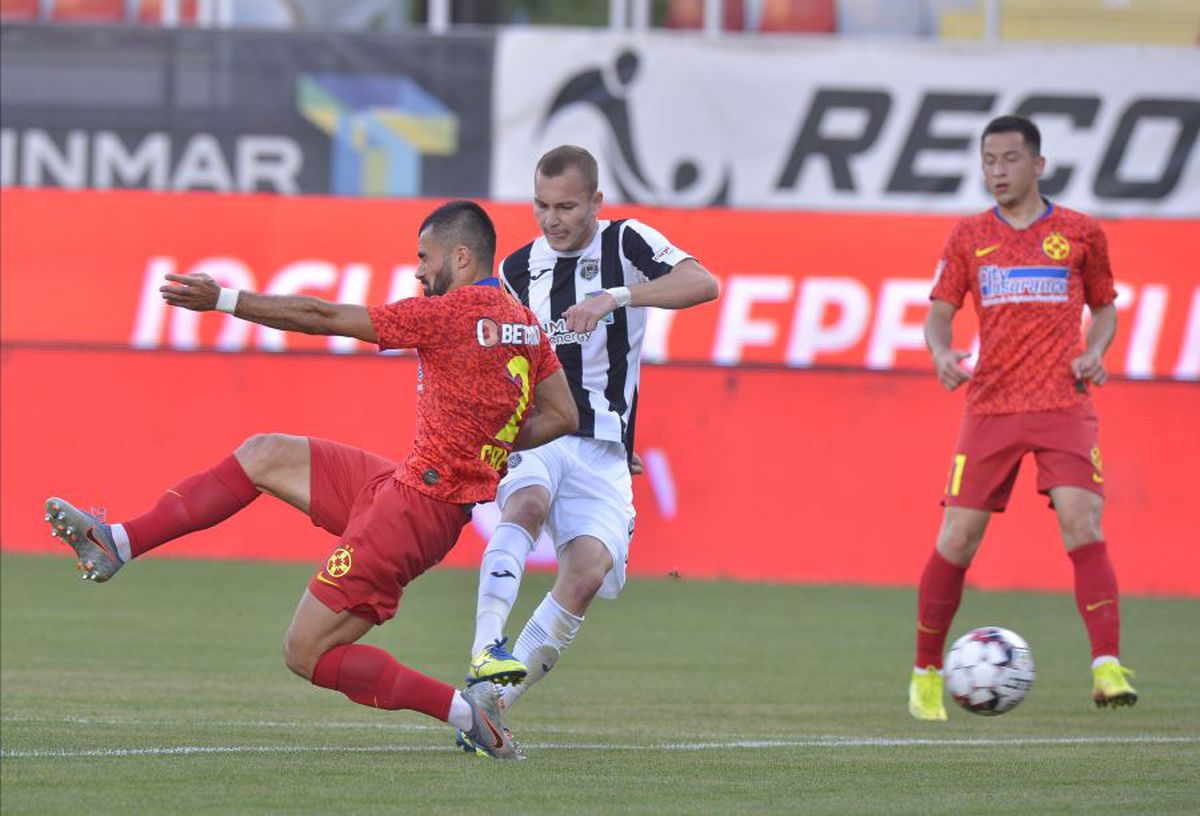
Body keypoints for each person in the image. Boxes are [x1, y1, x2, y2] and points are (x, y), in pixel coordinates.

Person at [44, 201, 577, 760]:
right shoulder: (522, 320)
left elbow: (323, 317)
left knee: (305, 652)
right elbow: (563, 415)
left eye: (424, 258)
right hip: (401, 487)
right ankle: (119, 543)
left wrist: (224, 299)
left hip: (415, 511)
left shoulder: (448, 313)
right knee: (264, 454)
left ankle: (470, 713)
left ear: (461, 256)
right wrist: (488, 442)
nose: (418, 272)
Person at [456, 145, 719, 754]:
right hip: (540, 433)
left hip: (603, 447)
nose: (553, 219)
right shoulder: (519, 268)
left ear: (596, 202)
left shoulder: (627, 243)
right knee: (523, 506)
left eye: (567, 206)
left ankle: (489, 709)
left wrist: (617, 297)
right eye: (542, 206)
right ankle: (486, 647)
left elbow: (702, 283)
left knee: (586, 574)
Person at [907, 115, 1137, 721]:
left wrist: (1096, 351)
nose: (998, 171)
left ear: (1038, 165)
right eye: (988, 160)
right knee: (958, 538)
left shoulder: (1080, 233)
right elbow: (939, 311)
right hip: (991, 405)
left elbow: (1106, 308)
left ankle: (1107, 666)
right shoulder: (969, 236)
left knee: (1082, 523)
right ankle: (926, 671)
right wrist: (939, 352)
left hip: (1063, 401)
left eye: (1010, 159)